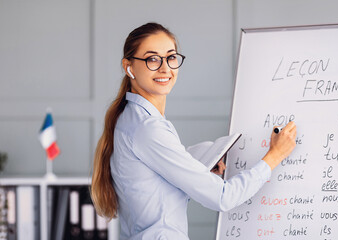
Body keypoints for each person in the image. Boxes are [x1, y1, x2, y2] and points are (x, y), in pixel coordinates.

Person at [91, 22, 296, 239]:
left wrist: (200, 166)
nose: (165, 68)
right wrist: (274, 156)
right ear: (129, 67)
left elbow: (154, 177)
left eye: (170, 57)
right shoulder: (148, 128)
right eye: (152, 59)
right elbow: (223, 197)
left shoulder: (132, 118)